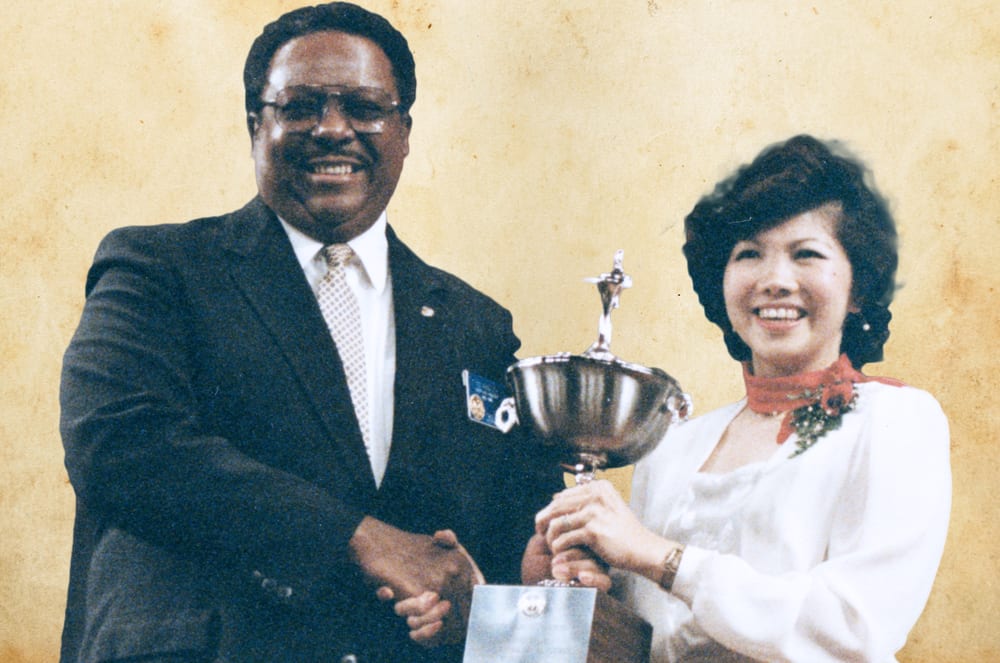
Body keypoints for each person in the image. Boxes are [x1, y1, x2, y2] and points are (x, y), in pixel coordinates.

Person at [58, 3, 565, 662]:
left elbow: (501, 528)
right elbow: (118, 444)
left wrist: (523, 569)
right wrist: (356, 535)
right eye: (300, 106)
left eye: (363, 106)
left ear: (404, 131)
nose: (332, 129)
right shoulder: (159, 269)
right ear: (254, 126)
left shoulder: (478, 327)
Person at [530, 135, 952, 661]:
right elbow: (649, 644)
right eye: (749, 254)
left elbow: (854, 627)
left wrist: (661, 557)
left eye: (807, 255)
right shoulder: (674, 444)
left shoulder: (895, 421)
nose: (775, 280)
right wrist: (578, 577)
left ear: (858, 288)